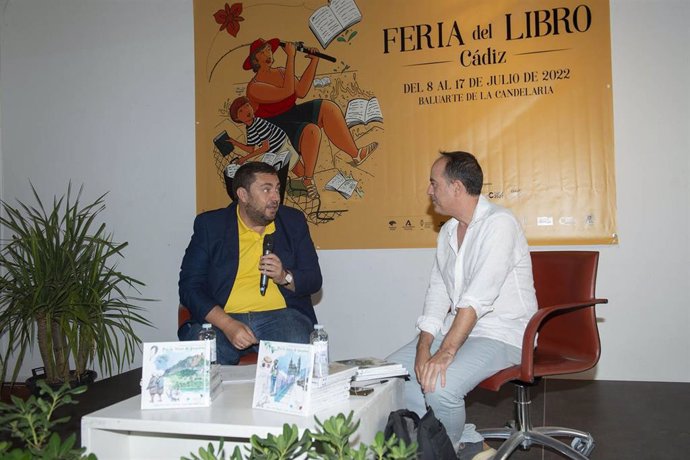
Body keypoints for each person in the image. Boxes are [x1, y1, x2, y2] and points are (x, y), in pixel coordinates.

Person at [387, 151, 537, 460]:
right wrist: (423, 347)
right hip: (461, 329)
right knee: (394, 376)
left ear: (456, 187)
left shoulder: (500, 224)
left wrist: (444, 354)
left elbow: (476, 299)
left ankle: (445, 451)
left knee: (440, 385)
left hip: (504, 334)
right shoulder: (448, 230)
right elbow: (438, 291)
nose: (429, 191)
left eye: (434, 183)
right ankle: (465, 439)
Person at [178, 161, 322, 364]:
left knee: (297, 348)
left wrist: (284, 276)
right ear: (243, 195)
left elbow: (314, 279)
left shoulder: (293, 222)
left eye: (277, 189)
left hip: (281, 316)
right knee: (204, 359)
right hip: (226, 315)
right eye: (266, 189)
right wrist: (228, 324)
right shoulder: (212, 225)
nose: (275, 197)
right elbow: (190, 286)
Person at [244, 38, 378, 198]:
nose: (268, 53)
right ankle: (307, 179)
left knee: (329, 108)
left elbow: (300, 91)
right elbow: (286, 92)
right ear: (255, 60)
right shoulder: (254, 87)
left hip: (292, 113)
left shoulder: (280, 72)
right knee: (311, 131)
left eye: (268, 49)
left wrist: (314, 61)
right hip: (275, 127)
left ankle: (356, 154)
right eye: (262, 51)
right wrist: (291, 57)